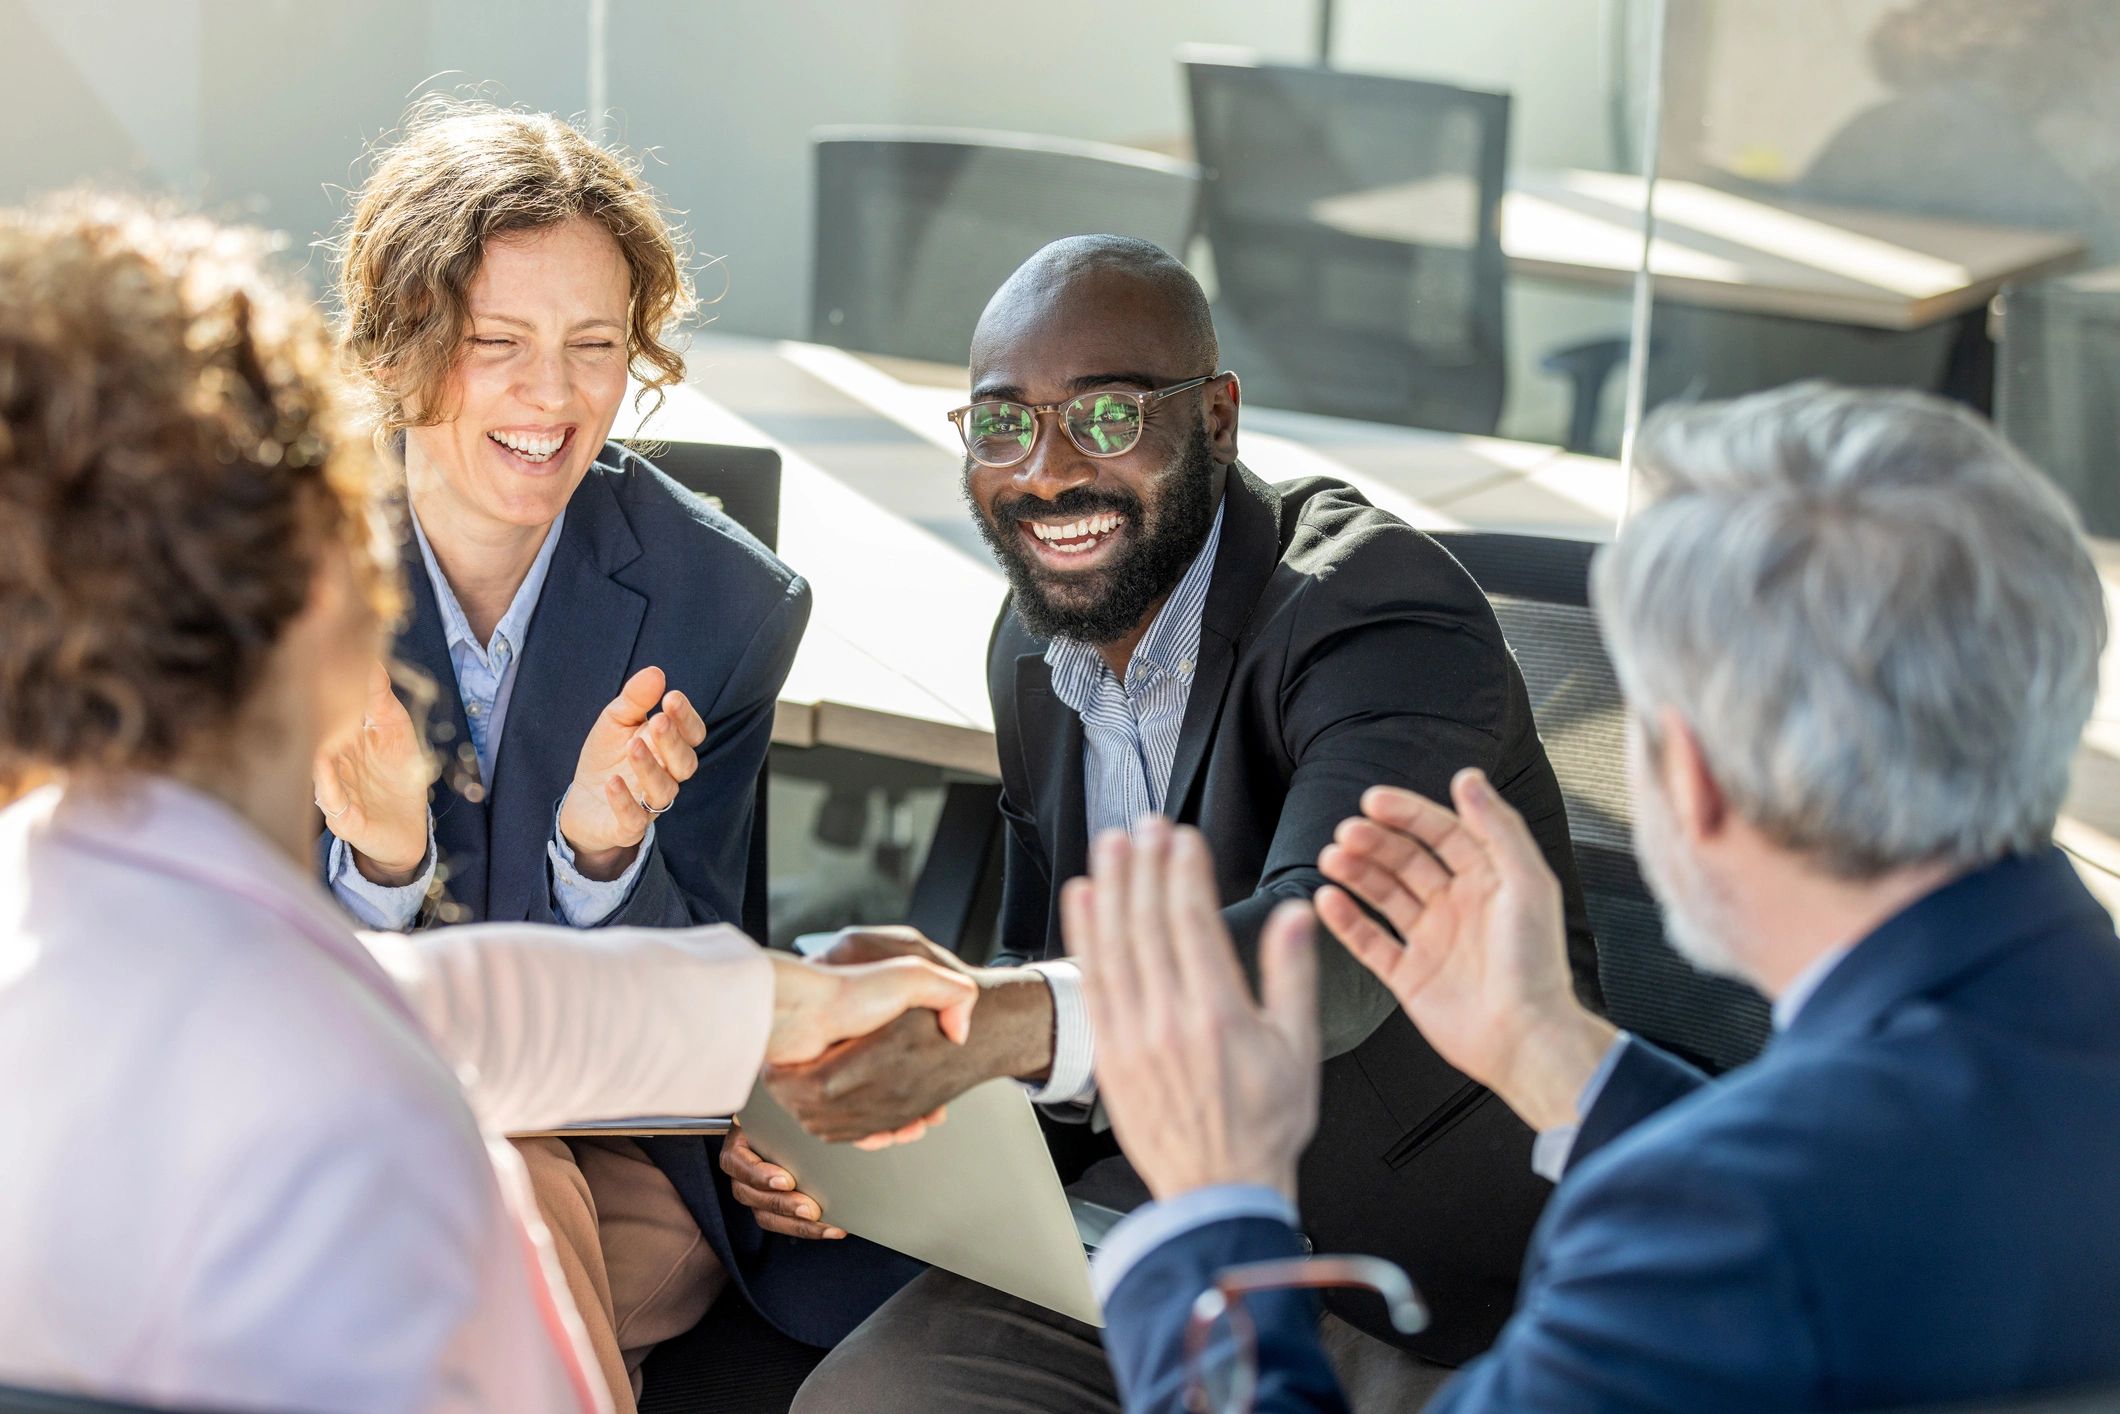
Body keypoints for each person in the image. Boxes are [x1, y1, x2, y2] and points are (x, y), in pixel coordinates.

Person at [0, 193, 977, 1413]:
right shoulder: (377, 1149)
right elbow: (392, 1030)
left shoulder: (88, 909)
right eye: (492, 340)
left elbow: (446, 1006)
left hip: (585, 1123)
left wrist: (770, 998)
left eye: (592, 341)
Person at [1068, 385, 2120, 1411]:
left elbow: (1766, 1228)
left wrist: (1213, 1214)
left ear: (1693, 778)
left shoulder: (1719, 1246)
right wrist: (1554, 1053)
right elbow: (1854, 1213)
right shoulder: (2064, 1008)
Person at [722, 236, 1602, 1410]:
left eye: (1106, 416)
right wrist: (864, 1125)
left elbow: (1332, 948)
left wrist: (994, 1019)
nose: (1044, 472)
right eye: (1002, 424)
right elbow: (1049, 971)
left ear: (1216, 418)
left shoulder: (1375, 610)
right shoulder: (1032, 645)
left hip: (1415, 1271)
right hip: (1148, 1223)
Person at [319, 98, 817, 1408]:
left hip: (610, 1138)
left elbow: (696, 1004)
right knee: (476, 1201)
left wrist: (600, 855)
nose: (553, 396)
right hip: (319, 1101)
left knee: (479, 1197)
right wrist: (382, 864)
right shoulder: (260, 566)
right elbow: (207, 957)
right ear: (402, 341)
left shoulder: (724, 606)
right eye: (497, 343)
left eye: (594, 346)